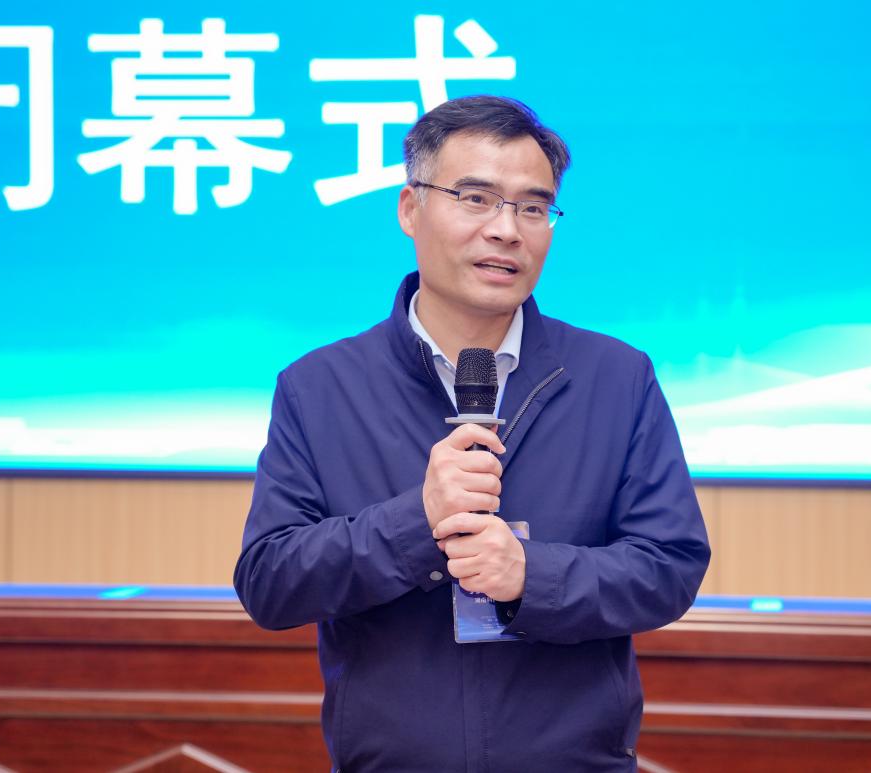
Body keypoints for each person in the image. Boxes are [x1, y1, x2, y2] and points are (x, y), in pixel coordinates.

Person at [234, 95, 710, 772]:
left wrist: (531, 576)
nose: (506, 230)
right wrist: (415, 522)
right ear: (410, 209)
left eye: (533, 208)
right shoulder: (319, 386)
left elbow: (669, 567)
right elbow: (271, 583)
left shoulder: (616, 377)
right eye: (476, 198)